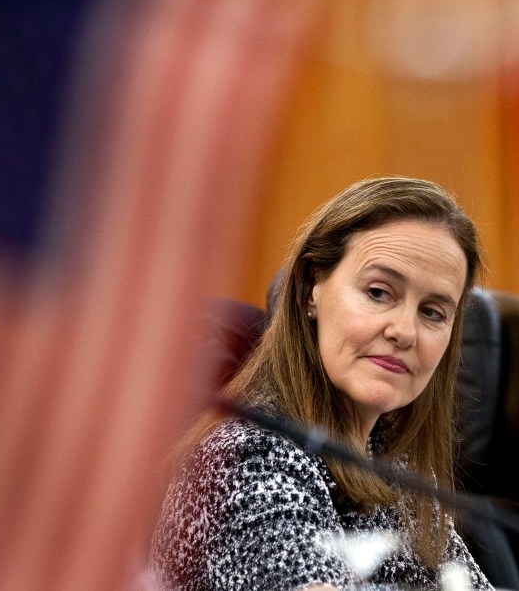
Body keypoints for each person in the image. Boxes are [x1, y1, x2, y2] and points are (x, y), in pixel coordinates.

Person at [150, 177, 493, 590]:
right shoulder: (249, 456)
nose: (405, 331)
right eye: (380, 292)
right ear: (312, 288)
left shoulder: (392, 462)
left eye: (433, 313)